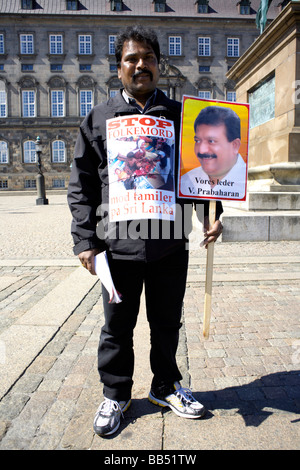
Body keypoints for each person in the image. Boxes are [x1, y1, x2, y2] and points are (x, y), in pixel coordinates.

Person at [67, 25, 223, 438]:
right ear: (118, 69)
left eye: (148, 58)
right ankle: (117, 393)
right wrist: (85, 240)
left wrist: (213, 214)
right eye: (131, 59)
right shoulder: (98, 118)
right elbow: (80, 184)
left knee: (167, 322)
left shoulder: (181, 117)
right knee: (117, 327)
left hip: (169, 245)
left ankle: (165, 385)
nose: (141, 65)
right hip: (115, 247)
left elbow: (203, 172)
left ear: (158, 64)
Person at [180, 106, 247, 199]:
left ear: (235, 145)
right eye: (198, 141)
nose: (201, 150)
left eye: (211, 141)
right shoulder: (186, 181)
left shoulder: (248, 184)